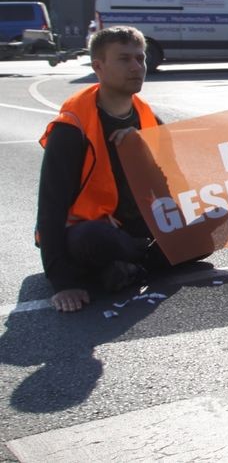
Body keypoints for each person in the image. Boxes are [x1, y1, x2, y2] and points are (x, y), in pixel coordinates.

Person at [36, 27, 170, 312]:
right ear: (98, 66)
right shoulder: (71, 128)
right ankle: (143, 259)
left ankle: (125, 267)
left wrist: (142, 150)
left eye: (140, 58)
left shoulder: (149, 118)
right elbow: (50, 206)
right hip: (87, 230)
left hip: (136, 227)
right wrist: (62, 282)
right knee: (94, 239)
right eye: (124, 59)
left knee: (215, 221)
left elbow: (166, 189)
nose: (136, 67)